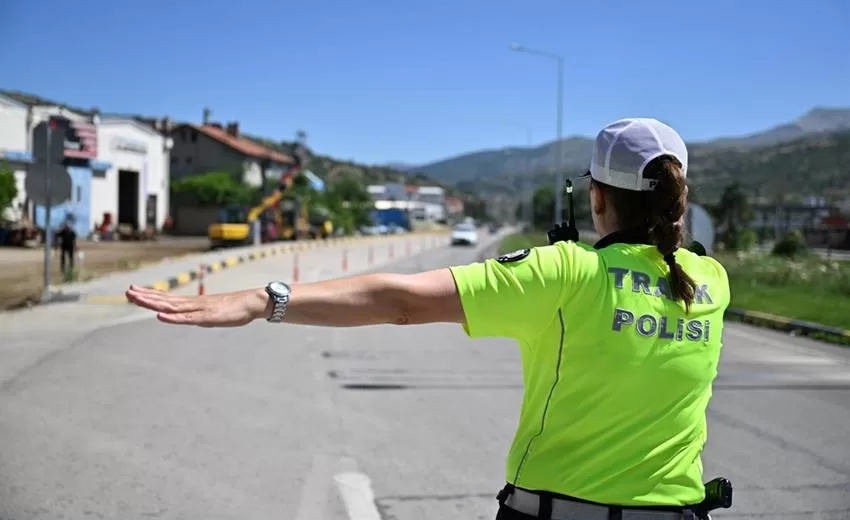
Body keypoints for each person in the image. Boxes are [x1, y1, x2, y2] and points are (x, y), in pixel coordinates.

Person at [126, 118, 731, 520]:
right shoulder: (713, 282)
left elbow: (399, 300)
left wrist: (264, 300)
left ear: (596, 197)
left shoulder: (566, 273)